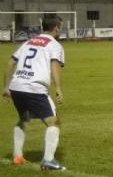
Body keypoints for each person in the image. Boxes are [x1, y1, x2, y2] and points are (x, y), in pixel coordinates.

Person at [2, 15, 66, 171]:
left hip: (17, 86)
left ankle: (17, 156)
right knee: (54, 122)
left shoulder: (28, 42)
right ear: (57, 28)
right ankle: (48, 160)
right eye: (61, 27)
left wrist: (6, 86)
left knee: (24, 118)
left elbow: (10, 63)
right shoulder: (54, 45)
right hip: (34, 88)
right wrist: (58, 88)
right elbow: (55, 65)